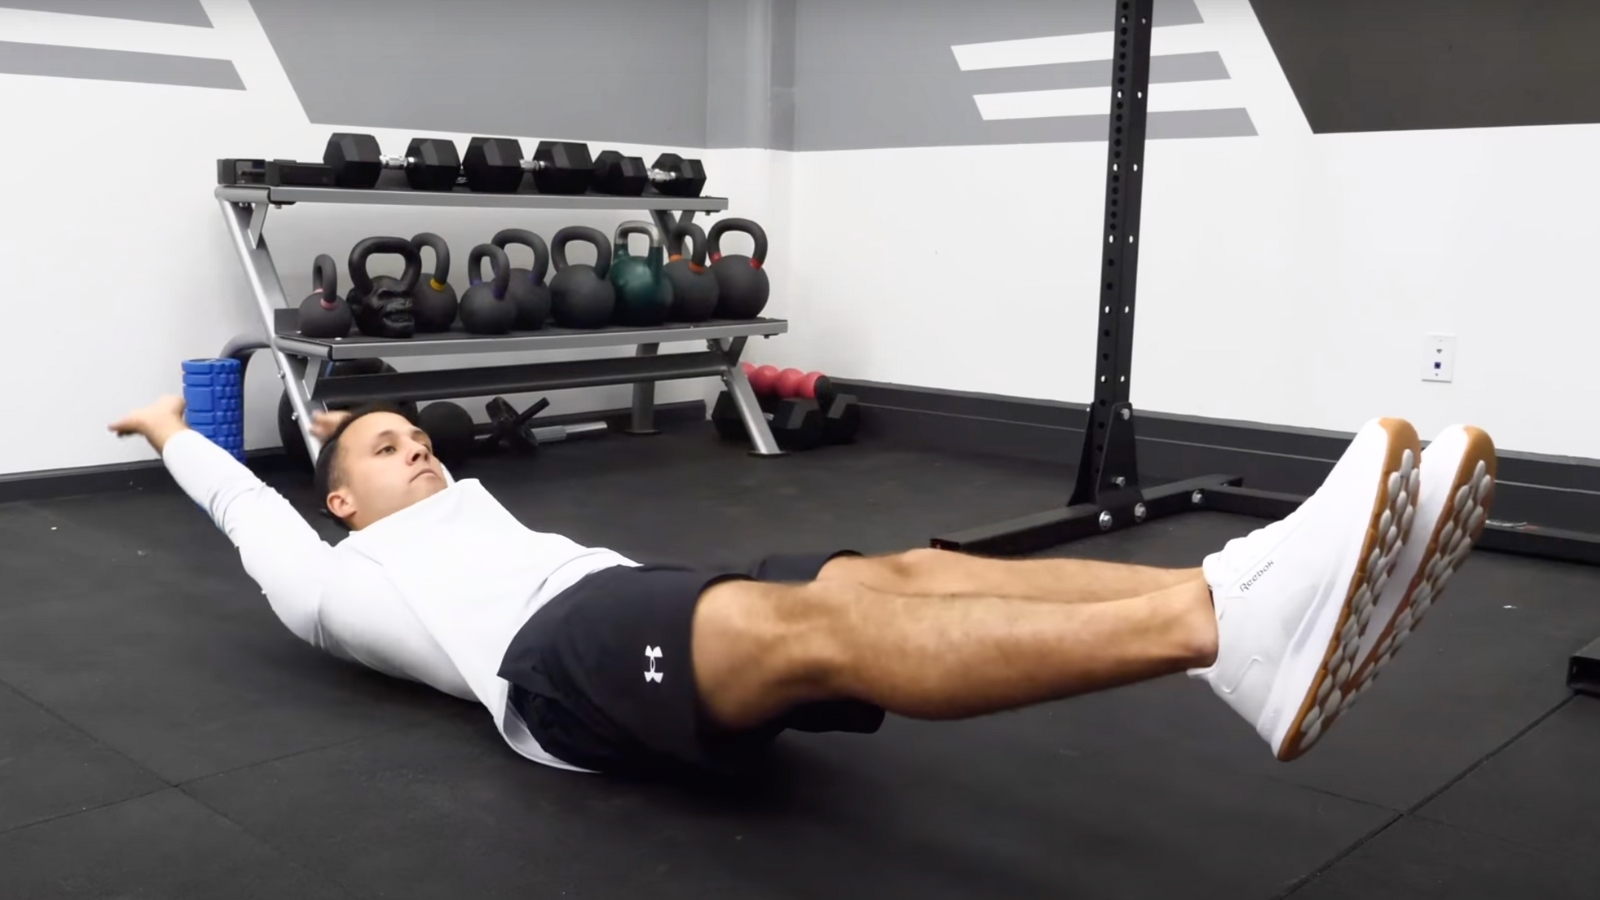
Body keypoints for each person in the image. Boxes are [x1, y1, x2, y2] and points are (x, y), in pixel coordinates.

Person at [109, 395, 1497, 776]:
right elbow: (247, 511)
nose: (415, 447)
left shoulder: (460, 502)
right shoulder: (332, 575)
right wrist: (176, 435)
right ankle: (1227, 628)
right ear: (338, 495)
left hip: (633, 591)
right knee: (834, 625)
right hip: (558, 667)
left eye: (417, 434)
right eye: (382, 447)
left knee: (897, 568)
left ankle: (1228, 598)